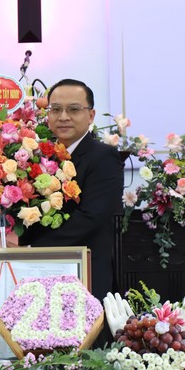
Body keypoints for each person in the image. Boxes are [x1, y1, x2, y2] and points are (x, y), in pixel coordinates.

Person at [19, 78, 124, 303]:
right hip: (38, 272)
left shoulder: (104, 157)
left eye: (74, 109)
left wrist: (30, 249)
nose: (63, 117)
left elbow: (91, 218)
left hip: (83, 274)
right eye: (56, 109)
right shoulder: (39, 156)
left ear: (91, 115)